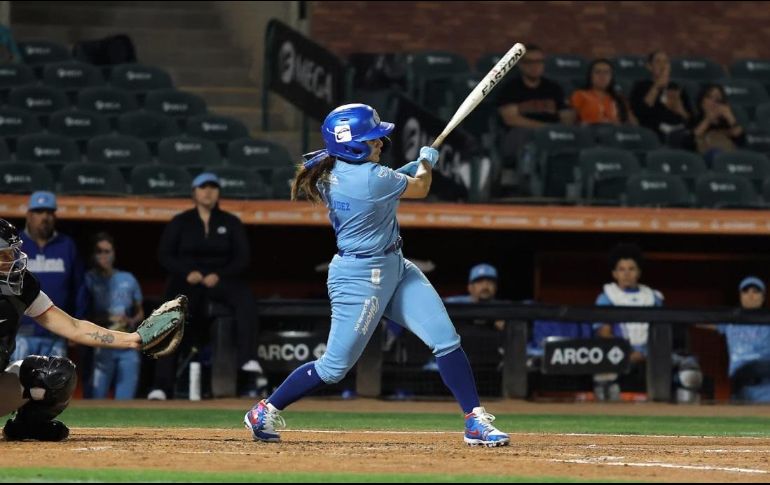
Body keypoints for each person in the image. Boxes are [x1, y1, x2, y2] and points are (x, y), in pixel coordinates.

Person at [243, 103, 509, 447]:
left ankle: (474, 420)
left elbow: (379, 189)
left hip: (394, 266)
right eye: (373, 139)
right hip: (359, 278)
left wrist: (406, 171)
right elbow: (420, 187)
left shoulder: (335, 169)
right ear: (353, 146)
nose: (381, 142)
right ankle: (264, 409)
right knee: (333, 368)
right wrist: (426, 162)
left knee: (445, 339)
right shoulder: (372, 179)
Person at [0, 219, 146, 441]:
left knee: (57, 374)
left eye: (13, 253)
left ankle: (26, 427)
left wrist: (133, 339)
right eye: (4, 255)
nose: (12, 261)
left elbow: (74, 327)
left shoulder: (20, 287)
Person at [148, 173, 262, 400]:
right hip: (187, 280)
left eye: (213, 187)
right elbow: (165, 254)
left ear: (218, 192)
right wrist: (186, 272)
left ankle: (248, 358)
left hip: (220, 280)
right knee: (168, 315)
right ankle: (161, 384)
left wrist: (219, 274)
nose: (208, 191)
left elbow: (242, 258)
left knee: (245, 298)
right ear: (194, 192)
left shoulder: (231, 222)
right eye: (203, 187)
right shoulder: (180, 222)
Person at [594, 243, 701, 402]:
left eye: (631, 269)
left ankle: (684, 422)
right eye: (622, 269)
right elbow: (603, 332)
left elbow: (663, 333)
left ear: (638, 272)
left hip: (653, 353)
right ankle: (609, 422)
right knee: (604, 372)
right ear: (614, 273)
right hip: (619, 353)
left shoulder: (652, 297)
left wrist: (646, 353)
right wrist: (628, 352)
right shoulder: (607, 296)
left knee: (689, 370)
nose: (626, 274)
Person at [12, 191, 88, 362]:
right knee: (17, 384)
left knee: (55, 386)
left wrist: (77, 324)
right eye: (39, 212)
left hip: (56, 332)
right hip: (21, 332)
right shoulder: (15, 246)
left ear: (54, 216)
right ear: (29, 215)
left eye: (49, 212)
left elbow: (80, 288)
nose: (44, 217)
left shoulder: (67, 245)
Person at [496, 45, 574, 189]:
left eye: (539, 62)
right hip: (521, 134)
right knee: (523, 136)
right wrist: (544, 129)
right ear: (521, 65)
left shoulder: (553, 88)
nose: (535, 66)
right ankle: (519, 182)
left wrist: (558, 130)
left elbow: (567, 117)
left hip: (552, 134)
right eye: (530, 62)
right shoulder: (510, 88)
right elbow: (511, 119)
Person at [85, 232, 144, 400]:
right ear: (93, 255)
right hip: (101, 344)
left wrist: (131, 320)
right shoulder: (89, 279)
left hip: (127, 346)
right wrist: (102, 319)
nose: (104, 255)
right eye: (99, 251)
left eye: (107, 251)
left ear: (114, 253)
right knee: (96, 398)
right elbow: (81, 311)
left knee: (125, 400)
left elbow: (140, 312)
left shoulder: (128, 278)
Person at [707, 277, 770, 402]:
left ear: (763, 297)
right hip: (740, 382)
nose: (750, 295)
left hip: (765, 381)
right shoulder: (730, 321)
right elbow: (695, 320)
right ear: (740, 296)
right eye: (746, 291)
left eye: (755, 291)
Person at [629, 50, 691, 142]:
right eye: (658, 61)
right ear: (649, 66)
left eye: (665, 62)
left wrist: (678, 108)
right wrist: (657, 86)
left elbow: (689, 119)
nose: (663, 65)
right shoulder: (641, 86)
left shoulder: (677, 88)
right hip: (653, 133)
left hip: (679, 132)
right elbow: (640, 113)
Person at [571, 59, 636, 126]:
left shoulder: (619, 97)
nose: (602, 76)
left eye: (606, 72)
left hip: (614, 133)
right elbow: (570, 123)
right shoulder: (580, 94)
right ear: (590, 76)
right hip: (589, 132)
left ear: (611, 77)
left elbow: (633, 124)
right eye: (597, 72)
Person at [690, 83, 745, 163]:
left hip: (729, 159)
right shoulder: (694, 119)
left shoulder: (727, 122)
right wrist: (708, 120)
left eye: (718, 99)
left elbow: (742, 141)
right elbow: (689, 143)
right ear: (701, 101)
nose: (714, 102)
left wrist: (730, 117)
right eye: (709, 97)